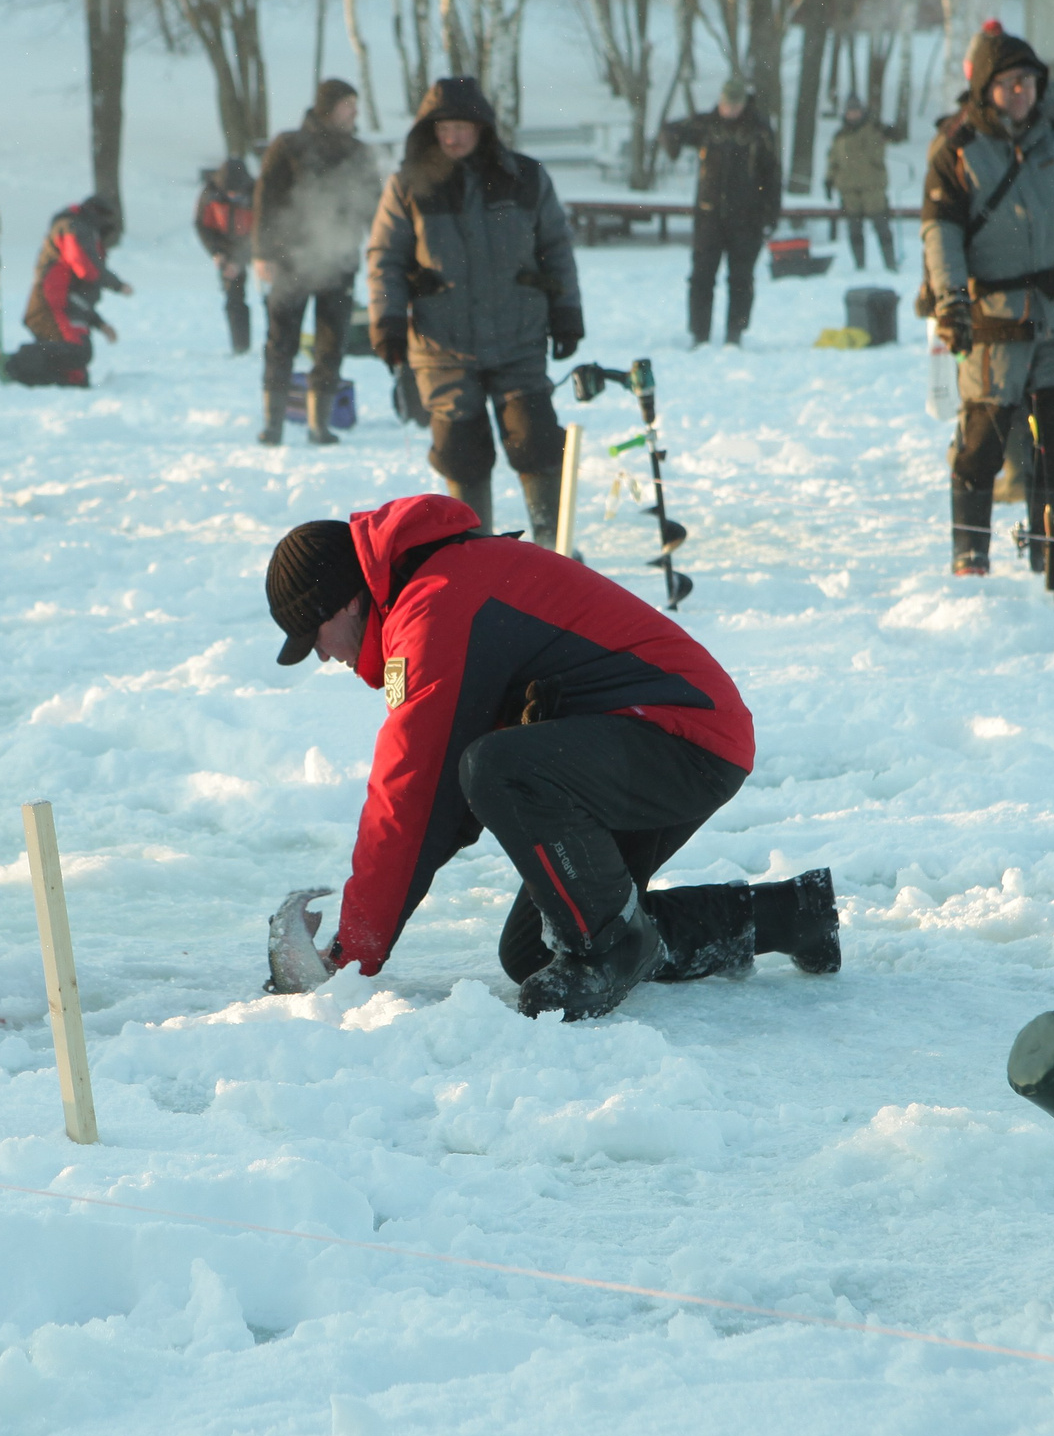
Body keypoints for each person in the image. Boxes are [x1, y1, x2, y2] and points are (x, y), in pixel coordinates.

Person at [262, 495, 838, 1020]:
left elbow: (411, 795)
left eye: (313, 636)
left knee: (500, 772)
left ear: (346, 601)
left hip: (683, 736)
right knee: (538, 951)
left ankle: (611, 948)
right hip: (649, 744)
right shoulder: (435, 590)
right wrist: (356, 948)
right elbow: (437, 806)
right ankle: (791, 916)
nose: (321, 656)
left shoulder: (436, 605)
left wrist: (350, 956)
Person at [920, 31, 1054, 576]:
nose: (1020, 93)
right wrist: (951, 302)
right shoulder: (957, 150)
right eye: (1009, 83)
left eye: (1028, 83)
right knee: (981, 444)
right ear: (986, 88)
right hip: (994, 321)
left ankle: (1051, 558)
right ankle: (971, 558)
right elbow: (941, 235)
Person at [366, 78, 583, 538]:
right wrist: (387, 321)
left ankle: (553, 545)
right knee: (460, 453)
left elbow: (555, 247)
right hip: (442, 345)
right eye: (443, 127)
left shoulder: (525, 177)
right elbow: (385, 258)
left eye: (462, 127)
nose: (453, 137)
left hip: (519, 336)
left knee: (537, 441)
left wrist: (567, 312)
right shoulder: (407, 185)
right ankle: (475, 552)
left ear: (482, 127)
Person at [254, 78, 385, 446]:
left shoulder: (359, 152)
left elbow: (374, 206)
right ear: (328, 107)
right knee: (281, 342)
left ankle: (319, 425)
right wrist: (263, 253)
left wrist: (382, 248)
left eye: (355, 105)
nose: (354, 112)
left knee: (331, 343)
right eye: (348, 105)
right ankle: (273, 424)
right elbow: (266, 200)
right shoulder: (288, 145)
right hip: (291, 259)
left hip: (339, 260)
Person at [659, 77, 781, 345]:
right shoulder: (707, 124)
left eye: (734, 105)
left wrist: (771, 213)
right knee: (701, 277)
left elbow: (772, 174)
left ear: (744, 104)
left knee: (741, 279)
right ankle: (699, 334)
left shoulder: (759, 130)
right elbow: (671, 129)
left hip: (747, 217)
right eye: (726, 104)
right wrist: (671, 143)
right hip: (709, 215)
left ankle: (735, 334)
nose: (729, 110)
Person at [4, 195, 131, 389]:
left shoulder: (81, 229)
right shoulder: (71, 228)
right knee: (78, 351)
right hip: (50, 305)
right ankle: (14, 364)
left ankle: (26, 376)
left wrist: (100, 323)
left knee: (77, 377)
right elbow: (86, 268)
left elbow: (78, 295)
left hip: (63, 306)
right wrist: (117, 285)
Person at [823, 95, 901, 272]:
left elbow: (896, 136)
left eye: (856, 111)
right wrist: (829, 180)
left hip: (873, 187)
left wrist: (888, 130)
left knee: (882, 227)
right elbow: (833, 161)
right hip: (849, 189)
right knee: (854, 231)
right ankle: (859, 266)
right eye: (850, 111)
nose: (853, 114)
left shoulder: (874, 130)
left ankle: (890, 264)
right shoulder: (840, 136)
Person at [194, 155, 257, 356]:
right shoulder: (210, 193)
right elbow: (202, 226)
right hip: (225, 247)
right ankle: (240, 347)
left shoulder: (256, 192)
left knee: (274, 297)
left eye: (237, 192)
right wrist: (217, 253)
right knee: (233, 297)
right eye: (229, 192)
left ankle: (280, 345)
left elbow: (263, 229)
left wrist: (241, 260)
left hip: (258, 247)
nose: (233, 195)